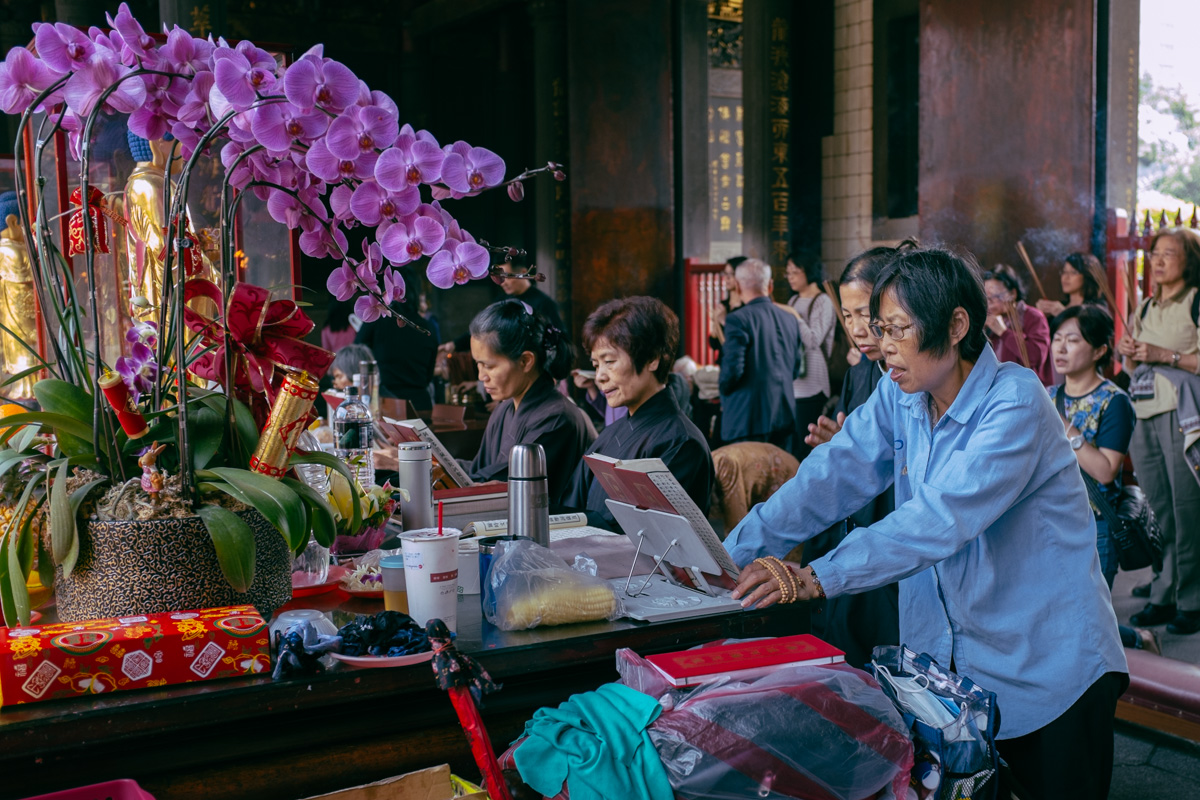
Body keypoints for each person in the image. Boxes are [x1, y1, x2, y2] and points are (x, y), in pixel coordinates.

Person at [726, 246, 1126, 800]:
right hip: (954, 680)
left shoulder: (1015, 401)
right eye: (876, 328)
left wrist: (815, 575)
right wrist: (730, 551)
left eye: (897, 328)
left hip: (1048, 666)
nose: (882, 345)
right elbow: (832, 475)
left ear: (957, 324)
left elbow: (939, 518)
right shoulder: (902, 393)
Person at [799, 245, 904, 669]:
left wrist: (858, 449)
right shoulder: (860, 372)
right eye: (847, 315)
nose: (858, 328)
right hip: (855, 520)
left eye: (866, 313)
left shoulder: (917, 378)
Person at [1049, 305, 1158, 654]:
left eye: (1073, 340)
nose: (1060, 348)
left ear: (1098, 350)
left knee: (1088, 620)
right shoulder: (1047, 397)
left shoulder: (1115, 402)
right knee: (1056, 618)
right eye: (1056, 339)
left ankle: (1137, 641)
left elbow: (1105, 470)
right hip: (1050, 525)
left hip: (1095, 529)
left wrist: (1065, 428)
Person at [563, 297, 714, 530]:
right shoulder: (609, 435)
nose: (600, 375)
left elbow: (643, 534)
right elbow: (572, 509)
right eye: (596, 365)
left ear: (653, 358)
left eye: (610, 361)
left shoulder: (681, 443)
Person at [1117, 227, 1200, 635]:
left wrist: (1163, 354)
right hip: (1144, 413)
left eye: (1170, 253)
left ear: (1190, 260)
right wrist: (1131, 354)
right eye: (1155, 253)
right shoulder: (1146, 306)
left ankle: (1190, 599)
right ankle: (1164, 591)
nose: (1160, 260)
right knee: (1159, 510)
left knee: (1188, 509)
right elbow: (1134, 366)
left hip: (1184, 417)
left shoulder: (1196, 301)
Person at [463, 299, 595, 505]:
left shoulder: (557, 418)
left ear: (525, 361)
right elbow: (478, 472)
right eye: (478, 365)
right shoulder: (505, 409)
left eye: (488, 366)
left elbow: (502, 484)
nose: (481, 376)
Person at [718, 259, 802, 449]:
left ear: (738, 287)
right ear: (770, 285)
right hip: (784, 417)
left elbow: (732, 371)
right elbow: (795, 369)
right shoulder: (790, 319)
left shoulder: (737, 319)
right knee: (783, 478)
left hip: (747, 419)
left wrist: (723, 392)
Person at [355, 266, 439, 411]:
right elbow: (428, 375)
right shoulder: (425, 327)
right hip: (420, 404)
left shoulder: (377, 321)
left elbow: (355, 353)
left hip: (386, 405)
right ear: (417, 292)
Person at [439, 261, 563, 357]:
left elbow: (559, 339)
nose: (502, 282)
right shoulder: (500, 302)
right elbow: (483, 329)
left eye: (506, 276)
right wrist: (455, 344)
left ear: (524, 273)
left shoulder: (544, 303)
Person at [785, 254, 836, 460]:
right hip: (794, 382)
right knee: (795, 441)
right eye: (787, 273)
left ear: (809, 271)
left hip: (813, 383)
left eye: (795, 272)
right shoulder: (794, 299)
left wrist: (795, 317)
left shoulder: (822, 300)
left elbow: (814, 340)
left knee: (808, 446)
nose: (790, 277)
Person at [983, 263, 1053, 385]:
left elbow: (1035, 357)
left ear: (1013, 294)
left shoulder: (1033, 317)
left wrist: (1004, 333)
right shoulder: (988, 320)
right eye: (986, 297)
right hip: (998, 388)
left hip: (1027, 388)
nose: (990, 303)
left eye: (995, 297)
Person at [1036, 251, 1111, 318]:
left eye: (1073, 272)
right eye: (1064, 272)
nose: (1066, 277)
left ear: (1087, 276)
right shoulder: (1059, 306)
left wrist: (1063, 314)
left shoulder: (1097, 310)